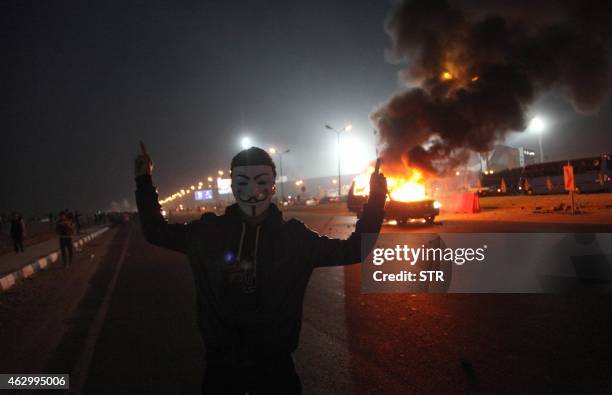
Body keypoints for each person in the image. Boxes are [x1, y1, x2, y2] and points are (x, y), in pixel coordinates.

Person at [134, 142, 387, 394]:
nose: (253, 191)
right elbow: (157, 231)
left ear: (273, 186)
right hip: (221, 370)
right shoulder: (208, 233)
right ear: (233, 186)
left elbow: (355, 250)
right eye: (243, 182)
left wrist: (376, 199)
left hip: (275, 371)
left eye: (261, 182)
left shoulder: (295, 238)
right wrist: (143, 179)